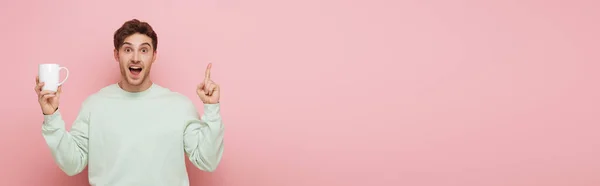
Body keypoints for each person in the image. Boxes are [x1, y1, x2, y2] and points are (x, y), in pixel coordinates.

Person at [34, 19, 224, 186]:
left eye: (144, 50)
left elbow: (208, 160)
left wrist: (212, 109)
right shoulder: (94, 105)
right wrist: (51, 116)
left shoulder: (180, 106)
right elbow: (72, 164)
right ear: (117, 55)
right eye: (127, 49)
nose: (135, 57)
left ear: (154, 56)